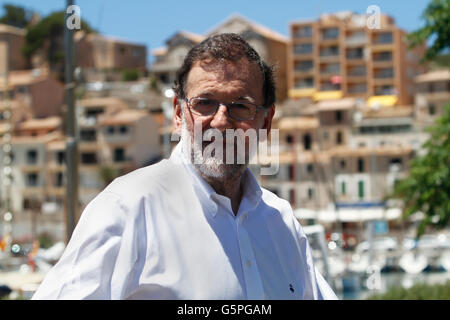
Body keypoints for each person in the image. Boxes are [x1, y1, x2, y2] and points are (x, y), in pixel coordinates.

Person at [32, 33, 337, 300]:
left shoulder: (281, 224)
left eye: (240, 106)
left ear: (265, 123)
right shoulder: (128, 208)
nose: (220, 121)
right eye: (205, 103)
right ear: (179, 115)